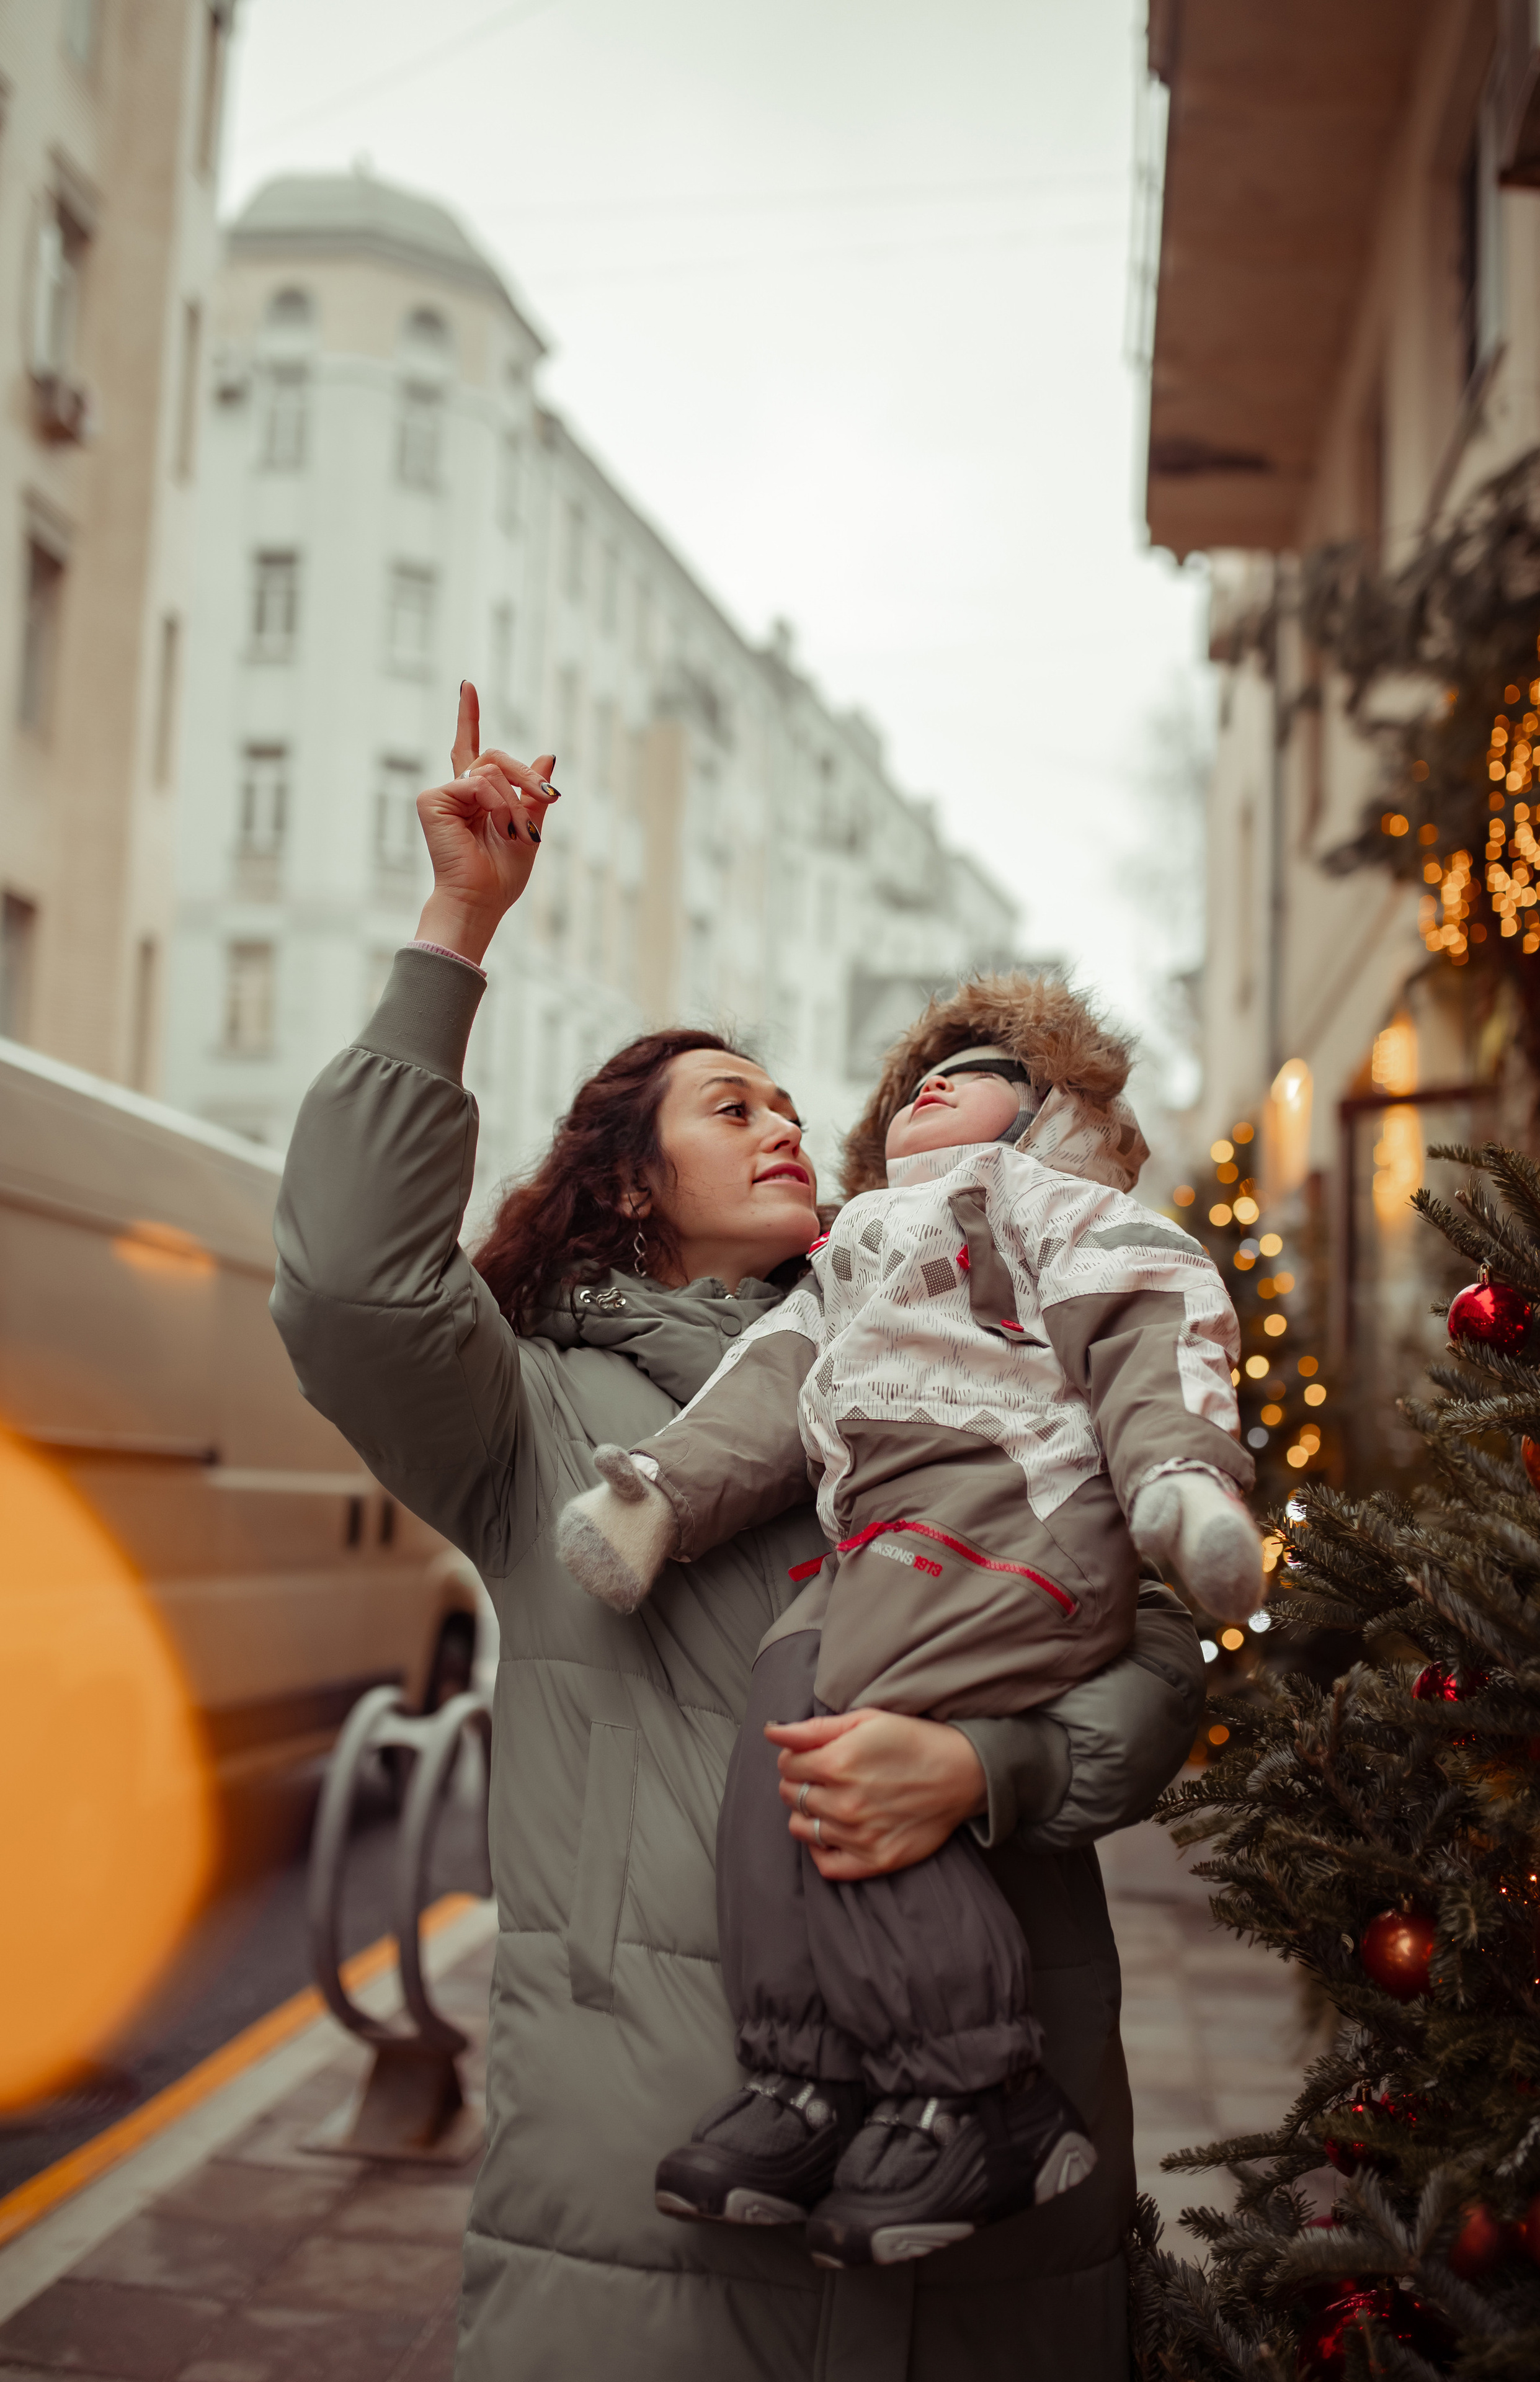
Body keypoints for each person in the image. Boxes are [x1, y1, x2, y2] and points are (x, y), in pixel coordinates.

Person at [270, 685, 1210, 2380]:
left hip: (995, 2221)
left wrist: (987, 1772)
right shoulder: (536, 1422)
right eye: (728, 1105)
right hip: (658, 2217)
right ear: (630, 1182)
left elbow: (1160, 1680)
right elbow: (346, 1283)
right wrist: (459, 925)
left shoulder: (997, 1378)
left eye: (793, 1102)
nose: (784, 1121)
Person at [558, 979, 1260, 2267]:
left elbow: (1156, 1339)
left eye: (981, 1069)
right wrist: (657, 1493)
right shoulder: (852, 1258)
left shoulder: (1064, 1213)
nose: (933, 1084)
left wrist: (1180, 1486)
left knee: (844, 1709)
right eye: (915, 1082)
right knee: (779, 1735)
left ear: (1052, 1116)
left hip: (1019, 1520)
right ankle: (806, 2078)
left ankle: (982, 2090)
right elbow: (768, 1391)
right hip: (883, 1550)